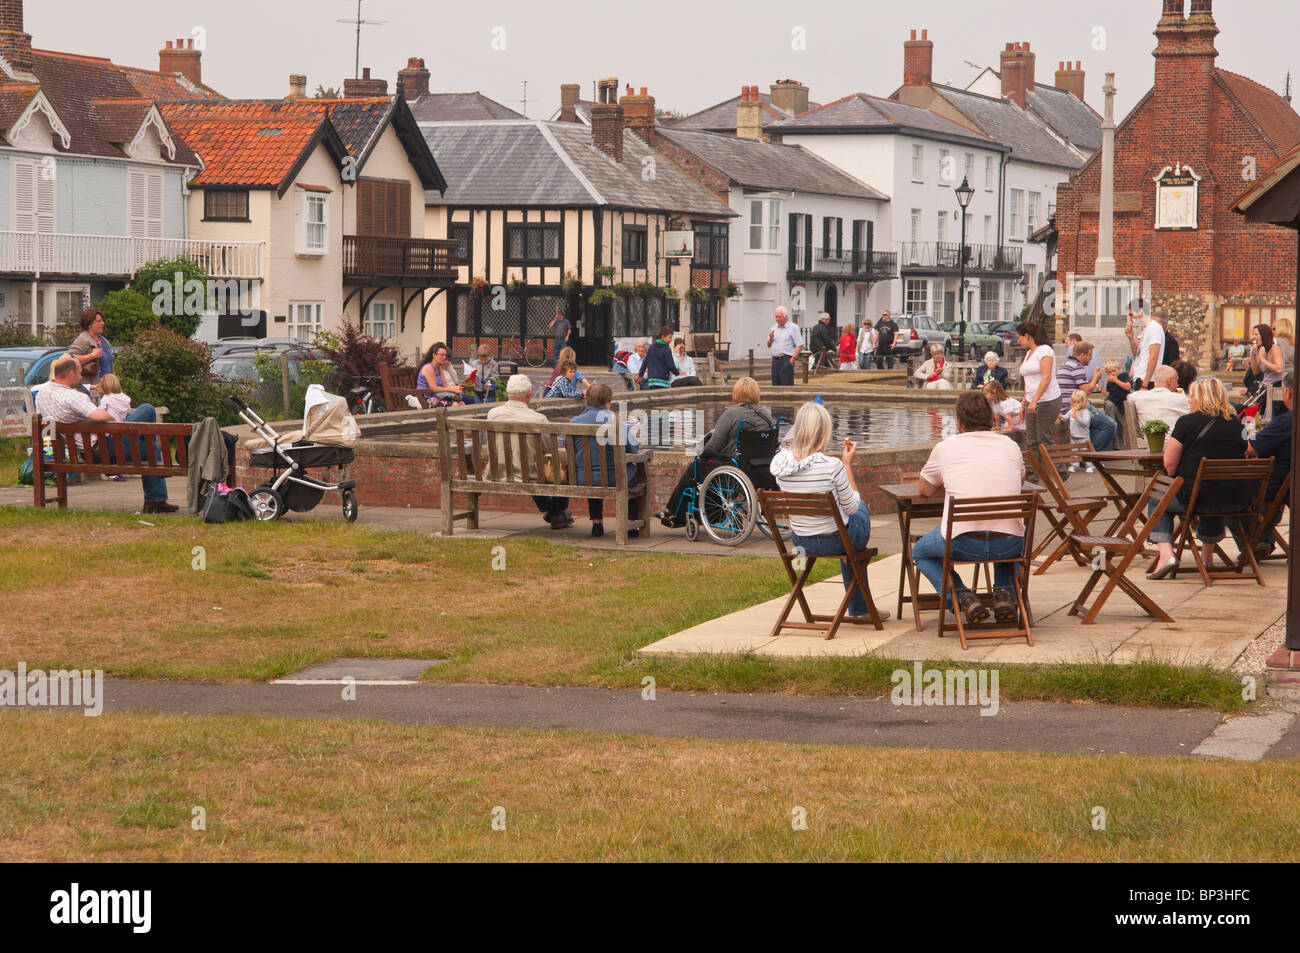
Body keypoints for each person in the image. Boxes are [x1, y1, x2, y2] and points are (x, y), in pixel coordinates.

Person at [913, 391, 1027, 625]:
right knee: (1005, 534)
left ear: (959, 423)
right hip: (1009, 542)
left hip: (963, 542)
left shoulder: (946, 448)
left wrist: (949, 484)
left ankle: (962, 597)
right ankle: (1004, 594)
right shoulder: (1010, 446)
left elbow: (924, 489)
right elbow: (1021, 480)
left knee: (920, 552)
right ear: (991, 418)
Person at [770, 401, 888, 621]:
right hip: (836, 541)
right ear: (824, 431)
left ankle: (861, 608)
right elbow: (852, 507)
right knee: (860, 508)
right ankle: (860, 609)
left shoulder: (780, 465)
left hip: (801, 542)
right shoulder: (832, 466)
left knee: (848, 532)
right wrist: (847, 465)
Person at [34, 355, 178, 512]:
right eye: (79, 373)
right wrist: (115, 419)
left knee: (148, 445)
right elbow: (99, 416)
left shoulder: (42, 393)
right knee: (148, 410)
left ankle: (155, 501)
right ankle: (155, 501)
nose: (81, 377)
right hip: (103, 450)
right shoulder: (73, 396)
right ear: (70, 373)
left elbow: (46, 427)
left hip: (80, 453)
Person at [1146, 378, 1249, 579]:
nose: (1189, 400)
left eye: (1191, 396)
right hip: (1234, 498)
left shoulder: (1186, 423)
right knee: (1215, 492)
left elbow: (1169, 464)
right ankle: (1207, 559)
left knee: (1158, 497)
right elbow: (1249, 450)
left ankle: (1166, 554)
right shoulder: (1238, 424)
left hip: (1196, 497)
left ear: (1200, 397)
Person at [658, 376, 775, 528]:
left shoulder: (731, 415)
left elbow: (713, 447)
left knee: (695, 467)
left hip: (735, 470)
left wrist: (702, 451)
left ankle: (672, 511)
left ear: (736, 394)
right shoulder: (766, 415)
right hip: (762, 470)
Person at [486, 374, 573, 529]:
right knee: (560, 468)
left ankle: (556, 513)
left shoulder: (493, 414)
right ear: (529, 393)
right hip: (530, 474)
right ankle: (557, 512)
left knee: (529, 466)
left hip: (497, 471)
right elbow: (550, 451)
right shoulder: (538, 419)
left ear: (507, 392)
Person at [570, 383, 642, 538]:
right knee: (636, 476)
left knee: (592, 471)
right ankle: (630, 523)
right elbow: (634, 450)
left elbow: (572, 450)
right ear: (607, 401)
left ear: (588, 400)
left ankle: (597, 522)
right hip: (615, 478)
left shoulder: (574, 421)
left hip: (583, 479)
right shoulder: (616, 421)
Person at [1238, 372, 1293, 559]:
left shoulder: (1287, 421)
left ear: (1289, 393)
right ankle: (1262, 541)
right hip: (1288, 486)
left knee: (1229, 491)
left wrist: (1248, 425)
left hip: (1280, 488)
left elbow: (1250, 448)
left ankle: (1254, 544)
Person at [1016, 321, 1060, 461]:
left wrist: (1034, 401)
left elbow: (1046, 378)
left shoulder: (1045, 350)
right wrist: (1024, 403)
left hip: (1047, 400)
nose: (1018, 341)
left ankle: (1060, 473)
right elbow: (1029, 381)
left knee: (1044, 439)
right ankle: (1033, 474)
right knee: (1031, 440)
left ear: (1027, 336)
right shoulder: (1029, 353)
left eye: (1019, 337)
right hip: (1031, 400)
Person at [1129, 364, 1191, 431]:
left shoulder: (1138, 397)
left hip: (1148, 439)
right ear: (1169, 380)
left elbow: (1129, 397)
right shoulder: (1180, 399)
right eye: (1176, 380)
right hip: (1171, 440)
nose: (1177, 385)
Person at [68, 307, 113, 391]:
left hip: (108, 390)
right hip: (92, 392)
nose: (102, 323)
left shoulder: (104, 341)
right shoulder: (83, 339)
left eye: (102, 321)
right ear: (89, 324)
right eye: (99, 321)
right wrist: (92, 355)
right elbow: (69, 360)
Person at [1125, 299, 1165, 390]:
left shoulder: (1154, 328)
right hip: (1141, 380)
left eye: (1131, 315)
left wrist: (1145, 385)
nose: (1130, 319)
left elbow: (1154, 357)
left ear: (1141, 312)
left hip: (1147, 381)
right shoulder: (1146, 330)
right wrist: (1131, 339)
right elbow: (1137, 356)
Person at [1056, 340, 1102, 408]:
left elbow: (1082, 390)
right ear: (1083, 355)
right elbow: (1086, 391)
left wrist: (1092, 381)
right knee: (1108, 419)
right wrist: (1096, 377)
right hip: (1073, 408)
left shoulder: (1066, 364)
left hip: (1064, 406)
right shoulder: (1077, 366)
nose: (1091, 358)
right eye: (1089, 355)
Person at [767, 307, 803, 386]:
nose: (777, 319)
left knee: (786, 384)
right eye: (776, 316)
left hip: (786, 359)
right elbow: (768, 345)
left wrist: (792, 360)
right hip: (775, 361)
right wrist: (771, 338)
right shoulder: (774, 328)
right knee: (775, 385)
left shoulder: (793, 327)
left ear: (786, 316)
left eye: (779, 317)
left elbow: (799, 345)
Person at [1065, 390, 1097, 470]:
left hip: (1083, 436)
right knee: (1074, 451)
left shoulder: (1085, 412)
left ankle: (1090, 465)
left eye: (1078, 402)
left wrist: (1077, 418)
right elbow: (1066, 417)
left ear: (1083, 402)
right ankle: (1074, 465)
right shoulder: (1071, 411)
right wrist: (1061, 417)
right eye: (1074, 402)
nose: (1075, 405)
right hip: (1073, 435)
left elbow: (1085, 423)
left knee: (1085, 451)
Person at [1249, 323, 1285, 390]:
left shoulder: (1274, 348)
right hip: (1265, 386)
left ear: (1263, 336)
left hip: (1275, 388)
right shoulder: (1263, 350)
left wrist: (1263, 359)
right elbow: (1255, 372)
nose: (1253, 337)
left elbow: (1279, 369)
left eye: (1256, 334)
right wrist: (1252, 355)